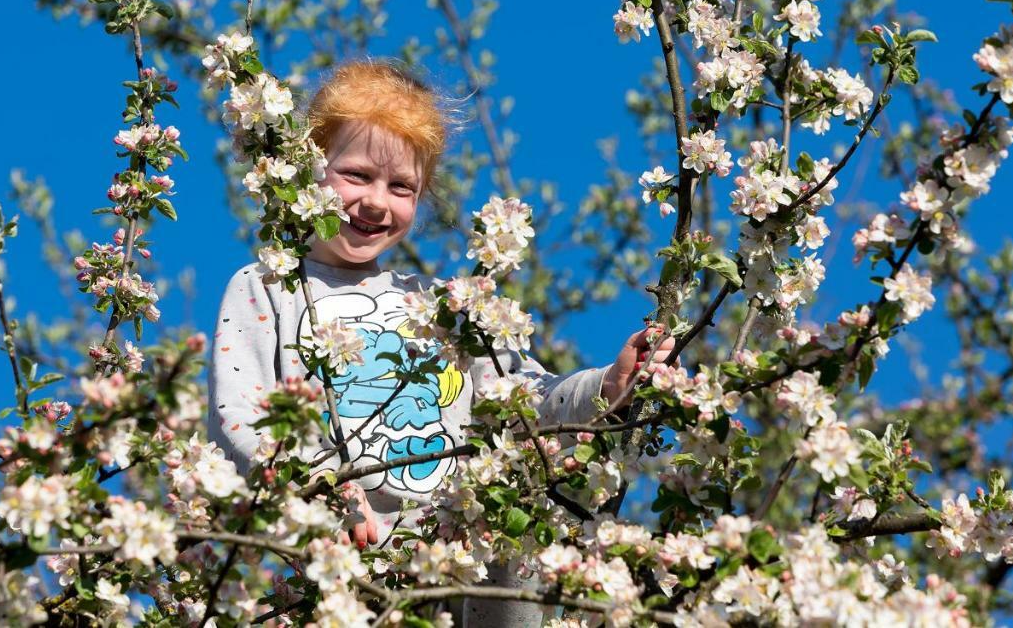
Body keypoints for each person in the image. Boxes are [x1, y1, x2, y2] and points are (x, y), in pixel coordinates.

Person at [207, 61, 670, 624]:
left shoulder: (443, 308)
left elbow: (524, 400)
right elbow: (242, 417)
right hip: (341, 562)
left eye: (402, 187)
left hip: (460, 558)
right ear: (307, 170)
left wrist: (607, 386)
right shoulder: (270, 287)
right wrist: (324, 489)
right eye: (355, 175)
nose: (377, 202)